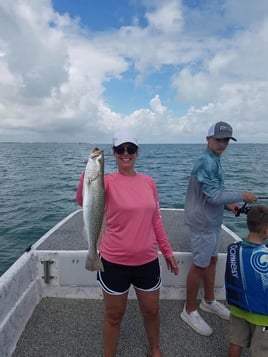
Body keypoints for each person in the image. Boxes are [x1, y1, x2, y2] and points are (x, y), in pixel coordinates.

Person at [76, 129, 179, 357]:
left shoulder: (149, 183)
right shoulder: (107, 181)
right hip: (113, 262)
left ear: (137, 152)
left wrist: (168, 252)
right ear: (113, 153)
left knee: (152, 312)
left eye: (130, 148)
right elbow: (83, 199)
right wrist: (88, 172)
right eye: (120, 149)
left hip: (147, 261)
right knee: (114, 316)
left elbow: (156, 221)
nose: (125, 153)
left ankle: (155, 350)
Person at [181, 121, 258, 336]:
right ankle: (189, 310)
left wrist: (229, 205)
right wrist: (242, 196)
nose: (222, 143)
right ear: (208, 139)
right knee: (199, 266)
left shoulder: (215, 160)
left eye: (226, 140)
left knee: (212, 261)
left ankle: (209, 300)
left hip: (212, 222)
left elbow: (211, 195)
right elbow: (213, 196)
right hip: (202, 223)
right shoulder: (207, 161)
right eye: (218, 139)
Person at [225, 205, 268, 357]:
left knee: (235, 343)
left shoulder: (233, 249)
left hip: (238, 308)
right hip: (263, 317)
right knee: (261, 351)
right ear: (266, 231)